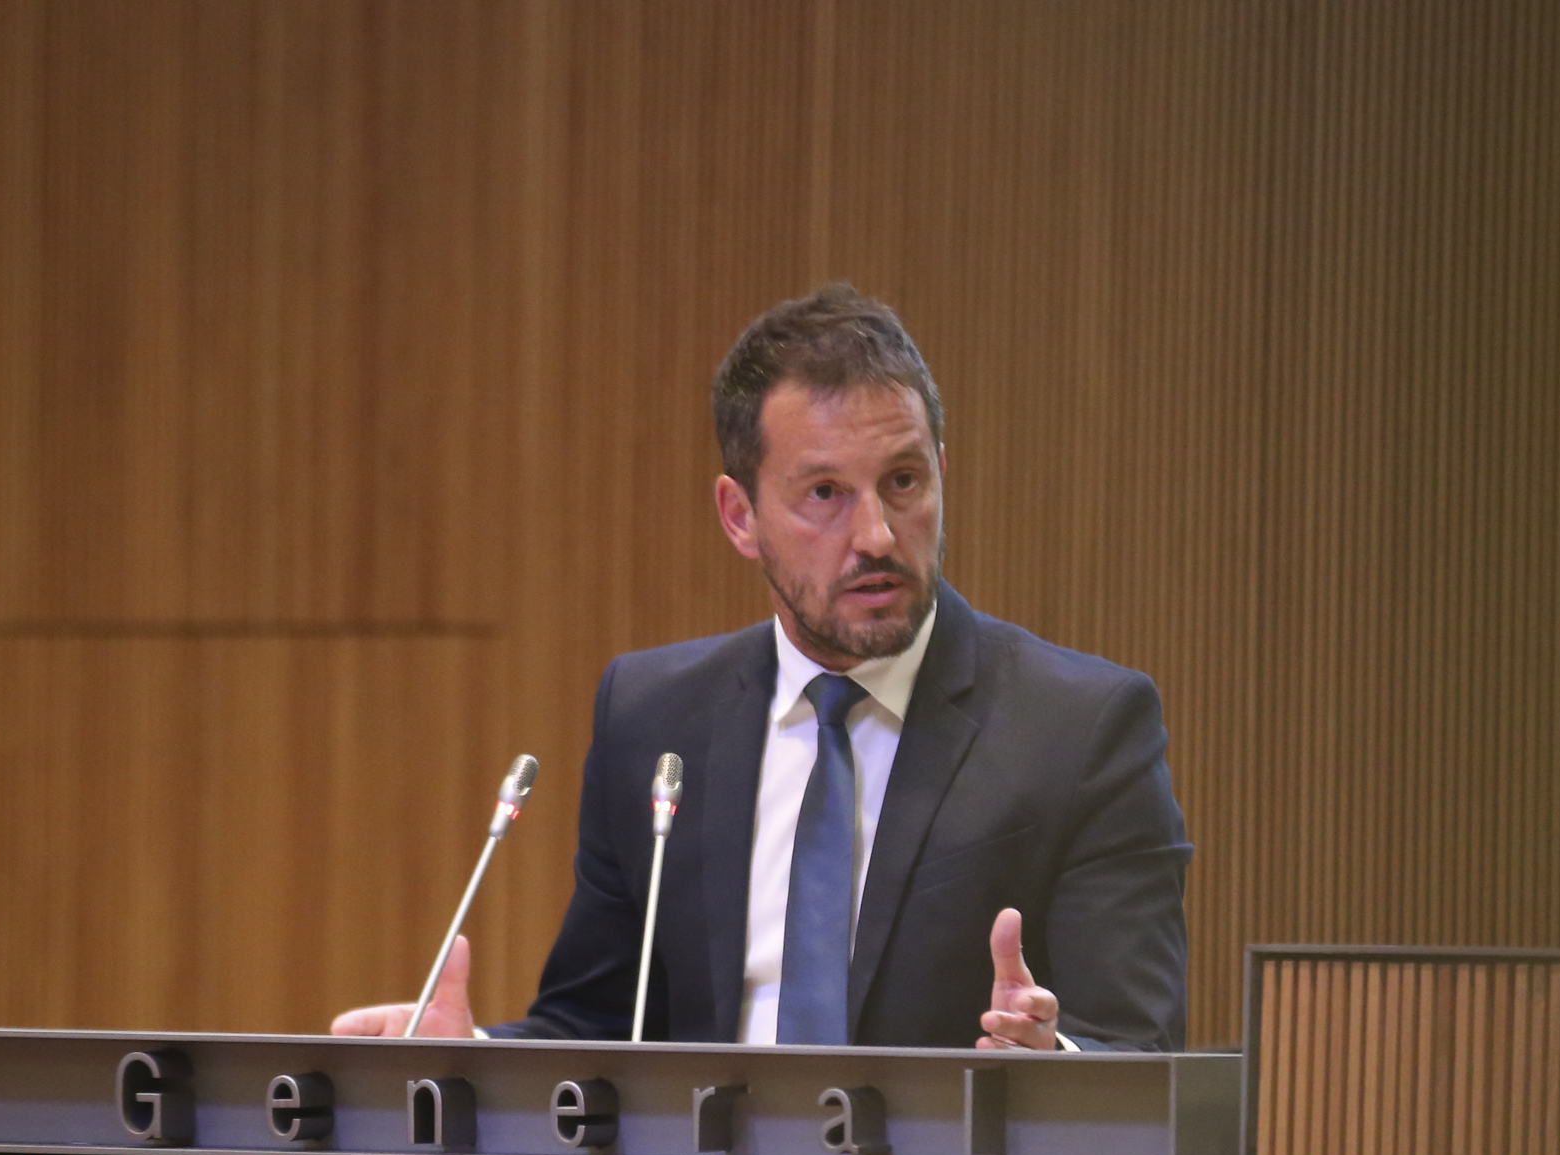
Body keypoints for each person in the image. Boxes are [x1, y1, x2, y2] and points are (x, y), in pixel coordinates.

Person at [334, 285, 1190, 1050]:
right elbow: (601, 1028)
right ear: (739, 515)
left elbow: (1137, 1046)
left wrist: (1049, 1066)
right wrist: (476, 1052)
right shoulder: (654, 717)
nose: (876, 535)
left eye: (903, 480)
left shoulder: (1077, 727)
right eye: (825, 494)